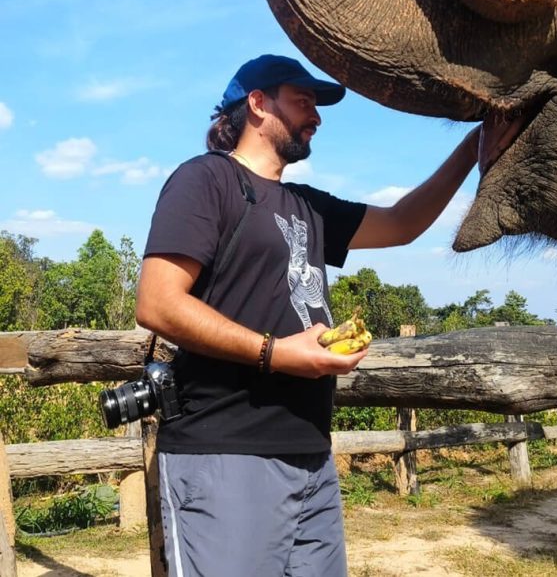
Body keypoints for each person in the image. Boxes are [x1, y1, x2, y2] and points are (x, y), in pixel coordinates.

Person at [135, 53, 486, 577]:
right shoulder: (206, 180)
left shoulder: (307, 205)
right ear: (256, 104)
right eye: (302, 101)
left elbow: (403, 223)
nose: (316, 116)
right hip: (226, 454)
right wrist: (275, 353)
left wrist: (475, 146)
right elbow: (158, 302)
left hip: (312, 455)